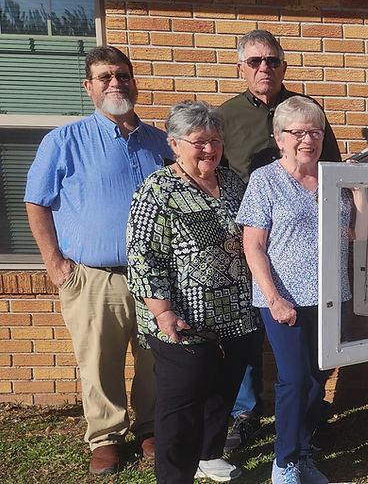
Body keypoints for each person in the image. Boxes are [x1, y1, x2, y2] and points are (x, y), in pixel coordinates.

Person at [24, 45, 166, 475]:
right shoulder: (63, 141)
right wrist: (54, 263)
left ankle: (150, 427)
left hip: (156, 277)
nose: (115, 83)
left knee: (156, 357)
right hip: (93, 278)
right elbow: (36, 202)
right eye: (105, 77)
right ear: (89, 87)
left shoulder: (160, 142)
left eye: (122, 75)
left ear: (134, 83)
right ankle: (105, 438)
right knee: (99, 362)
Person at [219, 28, 343, 454]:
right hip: (251, 241)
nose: (264, 68)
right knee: (250, 339)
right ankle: (247, 416)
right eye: (255, 61)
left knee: (308, 361)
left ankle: (307, 425)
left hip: (303, 254)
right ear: (241, 67)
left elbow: (331, 175)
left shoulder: (308, 112)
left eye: (271, 60)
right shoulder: (227, 116)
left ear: (283, 66)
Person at [127, 101, 262, 483]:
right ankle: (174, 476)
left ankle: (208, 454)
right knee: (180, 406)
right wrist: (163, 312)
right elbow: (143, 256)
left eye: (215, 140)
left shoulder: (232, 182)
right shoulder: (157, 190)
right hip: (183, 321)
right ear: (174, 144)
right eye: (199, 141)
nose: (209, 149)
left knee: (223, 391)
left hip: (237, 315)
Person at [237, 96, 368, 484]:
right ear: (279, 138)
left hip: (331, 298)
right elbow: (253, 246)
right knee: (294, 379)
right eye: (297, 132)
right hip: (285, 300)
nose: (307, 139)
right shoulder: (265, 180)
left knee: (317, 379)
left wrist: (359, 194)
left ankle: (303, 452)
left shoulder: (333, 179)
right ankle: (285, 461)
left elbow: (358, 235)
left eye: (315, 132)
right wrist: (274, 298)